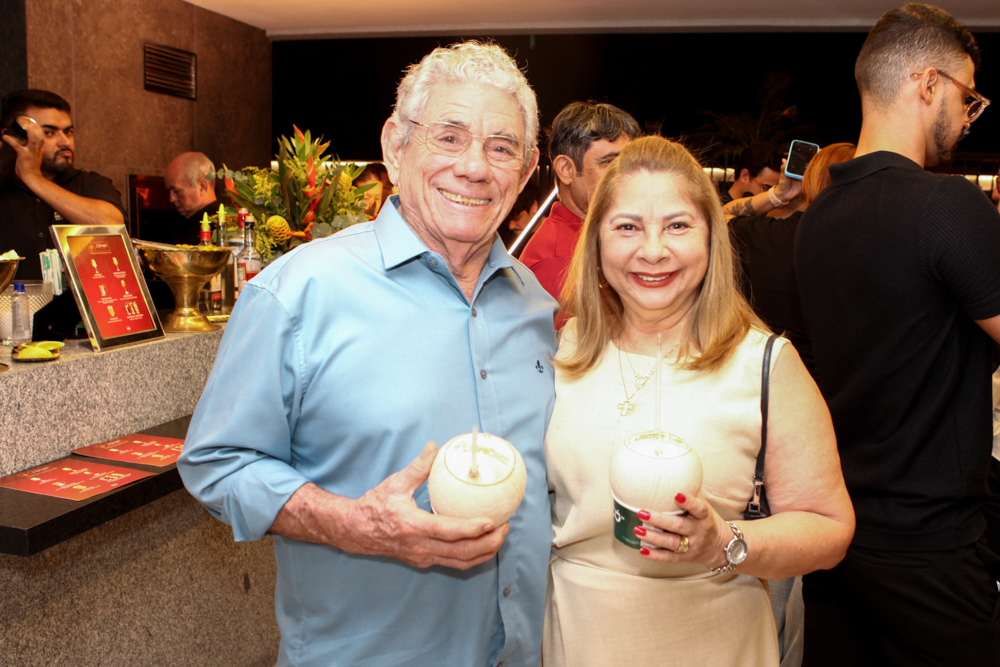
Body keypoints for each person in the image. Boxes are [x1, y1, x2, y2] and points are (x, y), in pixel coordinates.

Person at [177, 41, 556, 667]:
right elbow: (217, 463)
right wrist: (353, 523)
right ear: (394, 145)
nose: (476, 168)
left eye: (502, 147)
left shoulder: (534, 306)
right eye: (450, 136)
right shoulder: (298, 292)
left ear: (527, 168)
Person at [542, 136, 854, 666]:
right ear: (595, 240)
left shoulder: (765, 365)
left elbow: (828, 528)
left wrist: (726, 543)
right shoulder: (558, 354)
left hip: (716, 641)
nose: (653, 250)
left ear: (712, 237)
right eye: (627, 227)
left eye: (678, 225)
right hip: (576, 639)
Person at [794, 5, 1000, 665]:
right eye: (968, 98)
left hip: (839, 538)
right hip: (931, 545)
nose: (969, 118)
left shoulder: (817, 219)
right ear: (929, 83)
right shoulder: (948, 205)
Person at [729, 142, 857, 378]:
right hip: (842, 390)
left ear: (809, 182)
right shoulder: (869, 241)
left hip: (767, 379)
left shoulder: (770, 236)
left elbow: (719, 215)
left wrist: (778, 194)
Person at [520, 101, 641, 328]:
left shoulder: (595, 236)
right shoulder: (557, 261)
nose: (627, 175)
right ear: (566, 169)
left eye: (629, 163)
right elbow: (569, 359)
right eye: (611, 163)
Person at [0, 89, 125, 280]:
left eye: (69, 132)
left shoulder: (89, 183)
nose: (65, 142)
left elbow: (112, 226)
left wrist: (34, 177)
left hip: (70, 309)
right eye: (48, 133)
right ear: (12, 137)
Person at [161, 151, 219, 245]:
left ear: (202, 187)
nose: (171, 199)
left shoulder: (220, 227)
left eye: (176, 191)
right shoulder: (179, 223)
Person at [719, 140, 784, 205]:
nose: (769, 196)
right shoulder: (717, 209)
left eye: (773, 191)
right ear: (745, 176)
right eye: (765, 189)